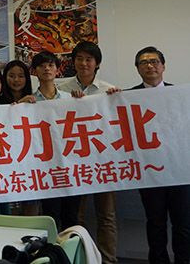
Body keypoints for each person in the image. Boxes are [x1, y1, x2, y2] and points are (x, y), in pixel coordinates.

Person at [56, 41, 120, 264]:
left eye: (89, 59)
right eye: (79, 59)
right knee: (76, 217)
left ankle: (108, 260)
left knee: (106, 216)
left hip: (103, 161)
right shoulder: (61, 90)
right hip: (73, 161)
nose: (84, 63)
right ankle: (79, 259)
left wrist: (118, 99)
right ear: (73, 62)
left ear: (97, 63)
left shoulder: (109, 90)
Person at [130, 46, 190, 264]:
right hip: (149, 171)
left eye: (154, 61)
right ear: (138, 69)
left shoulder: (181, 94)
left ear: (163, 66)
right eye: (144, 62)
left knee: (183, 223)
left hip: (180, 170)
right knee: (155, 223)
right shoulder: (127, 97)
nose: (150, 66)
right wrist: (111, 98)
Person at [28, 51, 75, 228]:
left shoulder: (70, 98)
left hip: (69, 163)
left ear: (57, 70)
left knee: (72, 216)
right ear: (35, 71)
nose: (46, 69)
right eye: (42, 66)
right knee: (51, 215)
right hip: (46, 166)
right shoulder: (30, 102)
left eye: (50, 65)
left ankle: (72, 246)